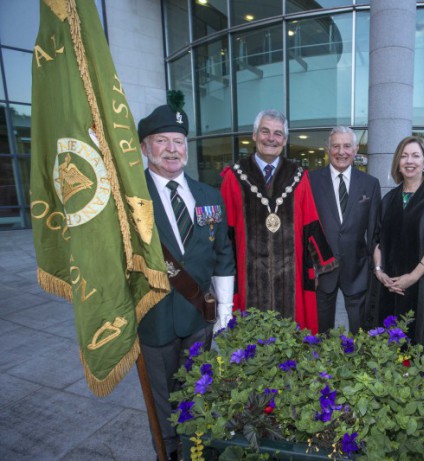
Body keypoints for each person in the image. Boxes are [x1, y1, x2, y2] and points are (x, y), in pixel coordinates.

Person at [137, 94, 236, 461]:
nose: (172, 149)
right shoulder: (131, 200)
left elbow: (223, 254)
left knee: (198, 389)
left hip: (199, 318)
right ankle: (170, 452)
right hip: (154, 319)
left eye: (178, 141)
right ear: (146, 148)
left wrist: (224, 312)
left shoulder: (209, 195)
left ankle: (198, 449)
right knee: (163, 402)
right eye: (162, 141)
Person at [220, 109, 337, 333]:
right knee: (251, 345)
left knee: (291, 338)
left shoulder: (298, 175)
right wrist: (224, 274)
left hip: (290, 274)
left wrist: (318, 263)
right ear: (254, 135)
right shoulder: (234, 176)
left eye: (277, 134)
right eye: (265, 131)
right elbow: (227, 233)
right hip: (249, 276)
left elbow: (310, 221)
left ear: (284, 140)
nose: (271, 138)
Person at [362, 136, 424, 353]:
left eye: (415, 155)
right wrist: (379, 272)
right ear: (397, 163)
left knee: (417, 349)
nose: (409, 161)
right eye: (404, 156)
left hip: (420, 287)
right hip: (388, 286)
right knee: (388, 350)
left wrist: (411, 278)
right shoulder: (389, 199)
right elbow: (377, 240)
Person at [309, 126, 381, 334]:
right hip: (321, 272)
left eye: (347, 146)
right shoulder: (310, 181)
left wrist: (374, 268)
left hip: (357, 271)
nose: (342, 152)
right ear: (327, 149)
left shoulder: (370, 184)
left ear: (356, 149)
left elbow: (375, 231)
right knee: (320, 334)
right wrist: (309, 266)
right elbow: (304, 229)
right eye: (336, 146)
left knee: (361, 333)